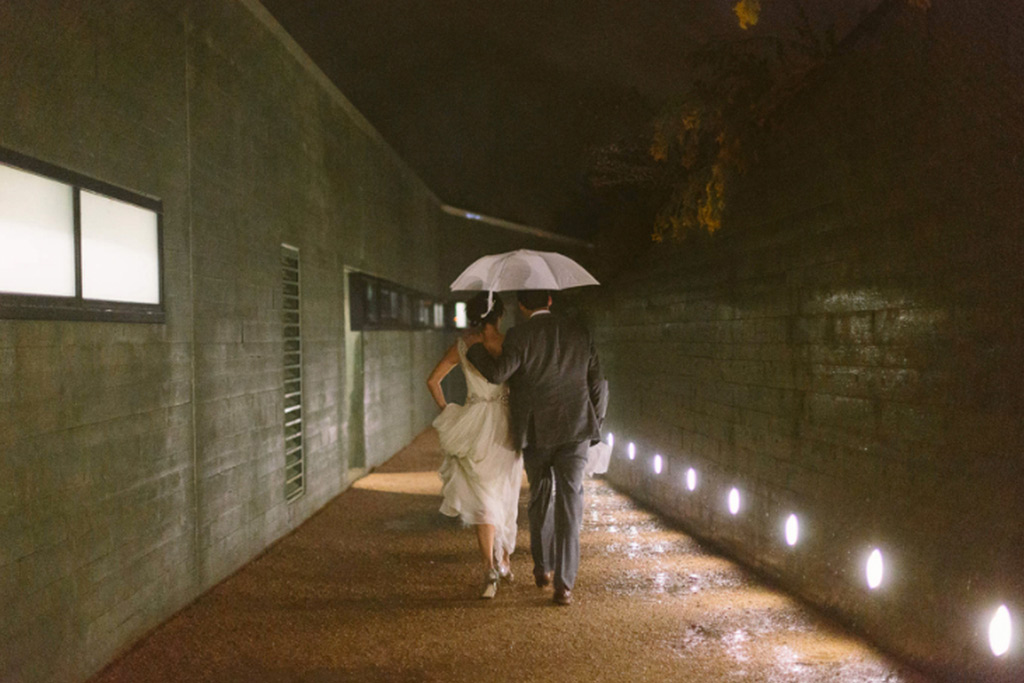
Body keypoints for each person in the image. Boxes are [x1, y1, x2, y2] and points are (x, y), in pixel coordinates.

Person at [466, 289, 605, 606]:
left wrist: (474, 349)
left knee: (540, 495)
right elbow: (598, 381)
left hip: (536, 430)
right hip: (576, 429)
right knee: (571, 501)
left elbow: (499, 373)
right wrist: (595, 424)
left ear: (522, 306)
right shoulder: (578, 331)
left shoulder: (520, 334)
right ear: (551, 301)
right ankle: (564, 585)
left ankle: (543, 568)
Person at [426, 291, 522, 599]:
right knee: (505, 492)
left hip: (475, 423)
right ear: (500, 315)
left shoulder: (463, 345)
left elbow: (433, 381)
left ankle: (489, 569)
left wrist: (449, 411)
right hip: (505, 422)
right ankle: (504, 559)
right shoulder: (509, 343)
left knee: (483, 499)